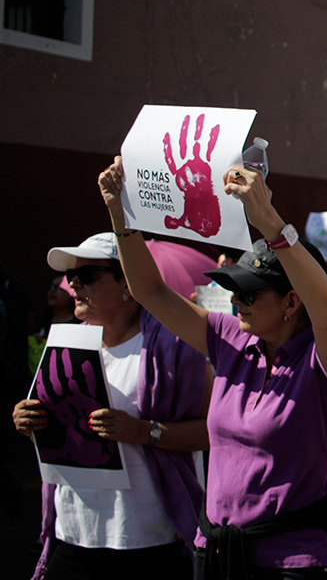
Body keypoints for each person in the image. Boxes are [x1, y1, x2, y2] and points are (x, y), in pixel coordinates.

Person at [96, 155, 327, 579]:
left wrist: (268, 218)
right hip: (218, 555)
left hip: (292, 564)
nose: (236, 301)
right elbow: (148, 290)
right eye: (235, 289)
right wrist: (119, 213)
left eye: (249, 293)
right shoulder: (230, 339)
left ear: (292, 303)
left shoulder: (323, 359)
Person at [12, 232, 210, 580]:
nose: (74, 284)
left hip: (146, 540)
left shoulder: (177, 349)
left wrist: (144, 431)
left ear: (128, 284)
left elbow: (213, 432)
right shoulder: (64, 345)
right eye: (72, 276)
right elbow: (60, 434)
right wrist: (31, 423)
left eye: (87, 275)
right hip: (71, 534)